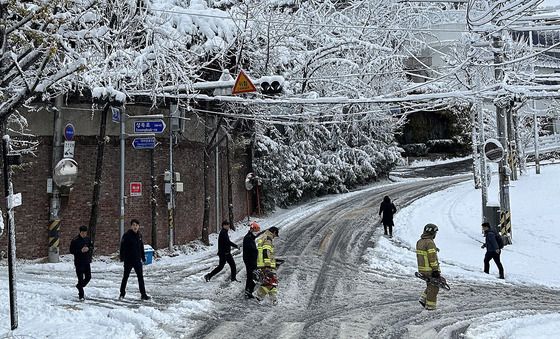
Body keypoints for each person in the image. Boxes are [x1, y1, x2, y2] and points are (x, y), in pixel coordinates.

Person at [119, 219, 150, 300]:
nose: (135, 227)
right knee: (125, 277)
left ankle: (143, 294)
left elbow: (141, 247)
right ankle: (122, 293)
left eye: (136, 225)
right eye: (133, 225)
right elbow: (122, 247)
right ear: (131, 226)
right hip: (128, 260)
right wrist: (122, 257)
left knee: (140, 277)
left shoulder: (139, 235)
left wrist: (143, 257)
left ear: (138, 226)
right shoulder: (127, 235)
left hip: (137, 260)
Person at [416, 223, 441, 311]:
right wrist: (435, 270)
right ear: (432, 233)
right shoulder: (430, 243)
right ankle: (430, 308)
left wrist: (435, 249)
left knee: (430, 285)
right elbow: (432, 258)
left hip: (422, 269)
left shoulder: (420, 241)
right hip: (430, 269)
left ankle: (423, 299)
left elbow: (424, 253)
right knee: (434, 287)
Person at [255, 226, 280, 305]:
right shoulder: (268, 239)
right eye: (275, 235)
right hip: (266, 264)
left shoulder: (263, 237)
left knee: (271, 281)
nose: (274, 237)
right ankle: (259, 295)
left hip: (262, 263)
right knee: (270, 281)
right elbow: (266, 252)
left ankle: (274, 299)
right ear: (274, 232)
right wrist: (268, 265)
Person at [69, 225, 93, 301]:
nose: (84, 234)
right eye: (82, 233)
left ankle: (79, 286)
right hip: (79, 262)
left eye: (85, 233)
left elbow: (91, 246)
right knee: (80, 278)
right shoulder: (75, 240)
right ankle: (81, 295)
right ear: (80, 232)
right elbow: (71, 251)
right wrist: (80, 251)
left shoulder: (88, 239)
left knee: (88, 277)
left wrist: (88, 248)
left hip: (86, 261)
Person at [243, 221, 260, 299]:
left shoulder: (250, 237)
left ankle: (248, 291)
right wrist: (257, 251)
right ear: (252, 230)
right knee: (253, 276)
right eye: (256, 231)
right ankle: (249, 291)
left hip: (250, 259)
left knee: (251, 276)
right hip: (249, 260)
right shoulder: (248, 238)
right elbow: (252, 250)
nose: (257, 233)